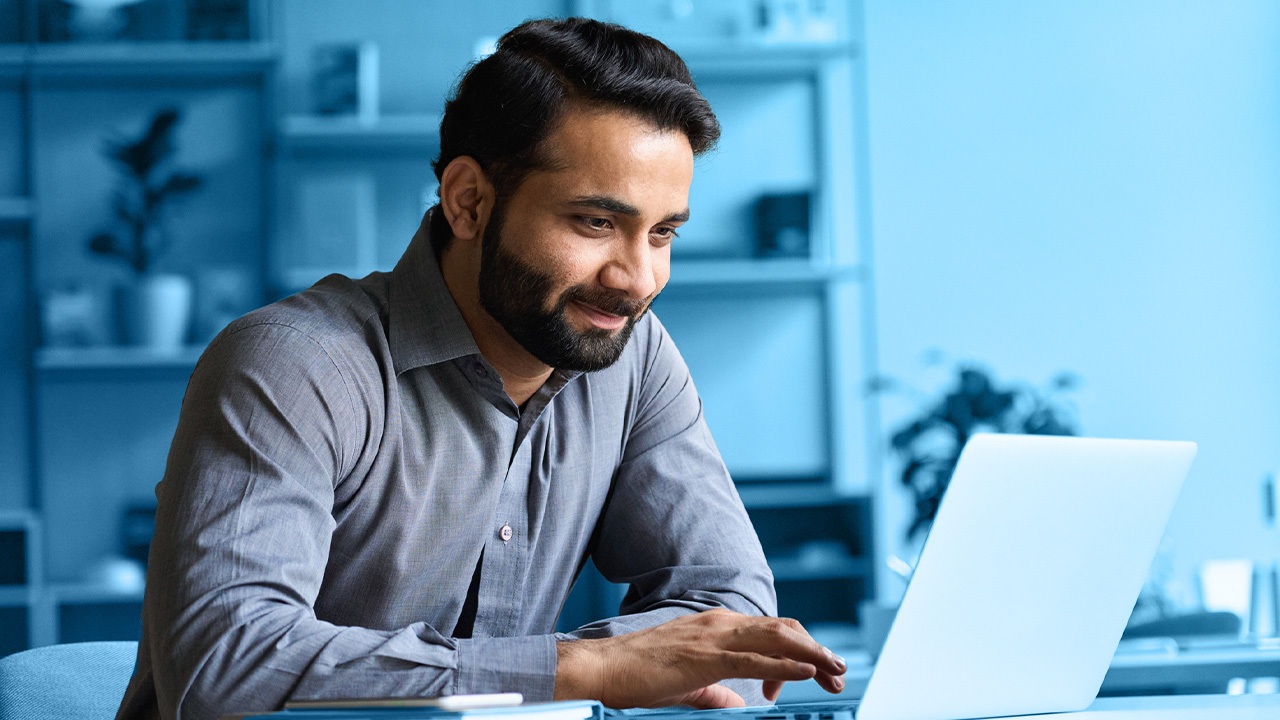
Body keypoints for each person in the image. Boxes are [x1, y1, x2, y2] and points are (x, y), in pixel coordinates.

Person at [117, 17, 846, 720]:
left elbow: (733, 616)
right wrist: (586, 672)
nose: (637, 278)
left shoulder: (635, 355)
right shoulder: (293, 365)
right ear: (468, 202)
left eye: (662, 233)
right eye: (595, 223)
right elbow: (226, 670)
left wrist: (617, 672)